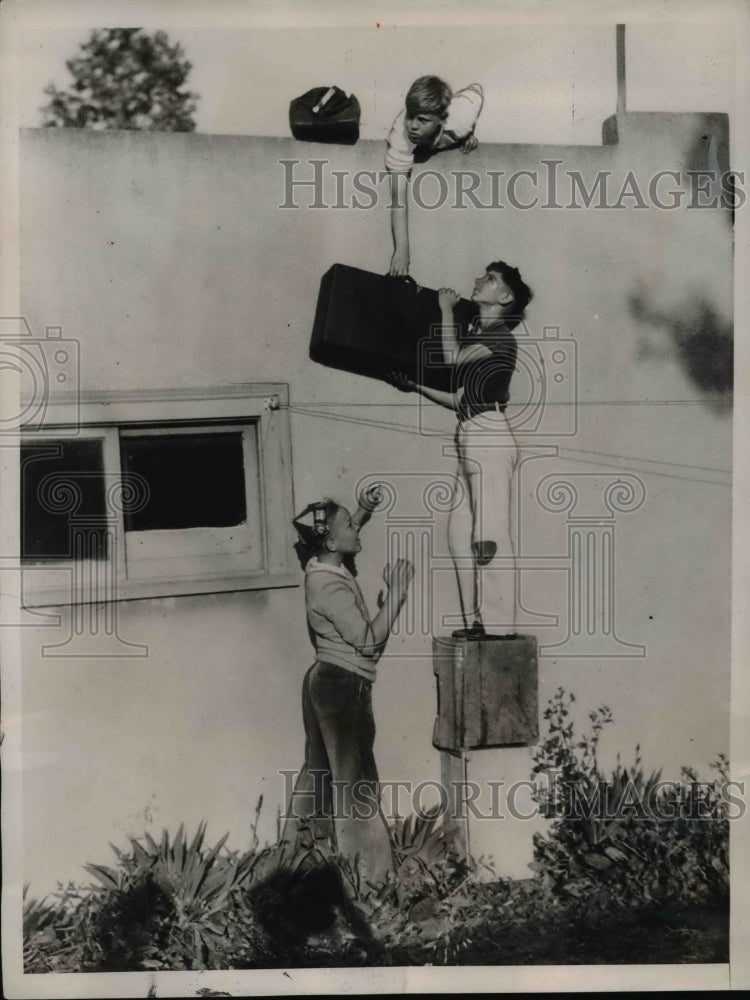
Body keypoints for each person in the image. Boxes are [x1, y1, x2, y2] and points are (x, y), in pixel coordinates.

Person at [390, 261, 533, 637]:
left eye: (490, 279)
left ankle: (499, 627)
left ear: (505, 297)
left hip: (489, 433)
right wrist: (415, 386)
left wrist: (444, 309)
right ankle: (478, 621)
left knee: (489, 534)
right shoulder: (478, 338)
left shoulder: (501, 337)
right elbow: (459, 398)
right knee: (459, 532)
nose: (479, 280)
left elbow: (451, 360)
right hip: (470, 432)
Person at [282, 484, 414, 889]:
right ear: (333, 541)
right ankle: (372, 880)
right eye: (350, 527)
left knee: (319, 775)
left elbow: (343, 531)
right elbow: (369, 642)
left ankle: (293, 864)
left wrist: (360, 510)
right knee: (356, 782)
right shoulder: (330, 587)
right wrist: (397, 596)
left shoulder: (323, 564)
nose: (358, 531)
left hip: (324, 681)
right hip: (342, 687)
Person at [386, 76, 484, 276]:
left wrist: (470, 134)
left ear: (442, 118)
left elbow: (477, 89)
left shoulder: (464, 113)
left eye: (422, 120)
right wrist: (402, 250)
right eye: (410, 116)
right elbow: (398, 197)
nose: (412, 126)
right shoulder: (400, 134)